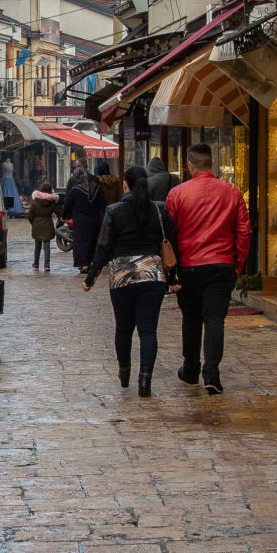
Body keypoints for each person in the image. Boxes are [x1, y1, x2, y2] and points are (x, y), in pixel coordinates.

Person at [164, 142, 250, 394]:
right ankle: (212, 374)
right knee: (215, 320)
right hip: (221, 264)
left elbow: (169, 234)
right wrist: (238, 264)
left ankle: (190, 370)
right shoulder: (231, 192)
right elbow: (244, 232)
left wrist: (171, 270)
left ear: (190, 165)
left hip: (188, 266)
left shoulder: (177, 195)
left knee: (191, 318)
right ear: (211, 163)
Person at [83, 165, 175, 396]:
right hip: (152, 274)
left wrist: (90, 277)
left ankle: (124, 371)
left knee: (124, 328)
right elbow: (171, 243)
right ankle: (145, 379)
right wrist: (173, 278)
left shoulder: (114, 211)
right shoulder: (159, 209)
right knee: (148, 330)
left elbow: (103, 247)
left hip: (122, 275)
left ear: (126, 184)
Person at [63, 168, 105, 274]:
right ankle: (88, 262)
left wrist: (64, 215)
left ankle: (84, 264)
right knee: (91, 241)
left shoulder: (75, 190)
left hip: (80, 220)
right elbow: (103, 203)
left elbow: (68, 204)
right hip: (94, 219)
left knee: (80, 242)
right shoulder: (96, 188)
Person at [25, 180, 61, 272]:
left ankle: (36, 264)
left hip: (37, 225)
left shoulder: (35, 202)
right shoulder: (52, 203)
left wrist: (34, 223)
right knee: (47, 245)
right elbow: (59, 213)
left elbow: (29, 216)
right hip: (48, 225)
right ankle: (47, 265)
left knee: (37, 246)